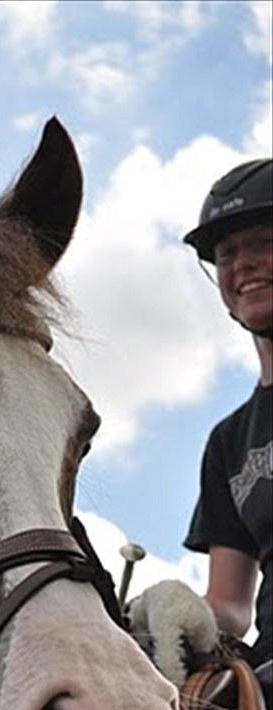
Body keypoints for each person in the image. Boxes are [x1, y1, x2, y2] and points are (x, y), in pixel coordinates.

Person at [182, 158, 272, 680]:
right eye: (227, 253)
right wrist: (167, 615)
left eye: (263, 242)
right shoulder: (228, 442)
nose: (244, 264)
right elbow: (231, 608)